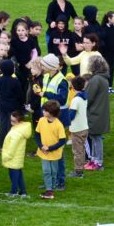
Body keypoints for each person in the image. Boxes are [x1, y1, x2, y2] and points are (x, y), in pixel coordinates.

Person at [38, 54, 70, 190]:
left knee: (58, 151)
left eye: (44, 65)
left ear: (50, 67)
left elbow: (62, 99)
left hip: (59, 118)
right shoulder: (46, 76)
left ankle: (60, 181)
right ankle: (50, 181)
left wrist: (45, 94)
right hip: (47, 116)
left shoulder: (62, 81)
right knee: (48, 146)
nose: (42, 67)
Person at [36, 100, 67, 199]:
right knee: (46, 171)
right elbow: (37, 134)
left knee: (53, 172)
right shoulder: (41, 120)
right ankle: (49, 190)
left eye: (45, 110)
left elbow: (62, 141)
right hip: (43, 152)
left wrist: (50, 148)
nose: (43, 112)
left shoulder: (58, 125)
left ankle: (51, 188)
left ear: (51, 112)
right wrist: (41, 146)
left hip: (55, 153)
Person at [84, 56, 110, 171]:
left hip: (95, 113)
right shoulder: (102, 78)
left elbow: (88, 98)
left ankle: (98, 162)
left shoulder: (95, 80)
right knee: (94, 137)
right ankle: (94, 160)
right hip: (98, 112)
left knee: (96, 138)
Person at [2, 111, 31, 197]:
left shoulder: (17, 132)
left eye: (14, 121)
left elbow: (12, 147)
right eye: (11, 120)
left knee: (13, 176)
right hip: (17, 157)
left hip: (13, 157)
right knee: (19, 175)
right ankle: (23, 191)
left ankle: (13, 191)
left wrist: (7, 156)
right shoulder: (19, 128)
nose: (11, 123)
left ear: (20, 121)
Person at [0, 59, 24, 148]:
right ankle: (10, 144)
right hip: (13, 106)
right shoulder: (15, 81)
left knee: (3, 124)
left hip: (3, 105)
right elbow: (20, 95)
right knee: (11, 125)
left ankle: (2, 144)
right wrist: (21, 107)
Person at [67, 76, 88, 178]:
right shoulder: (85, 96)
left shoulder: (76, 100)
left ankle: (78, 171)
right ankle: (80, 168)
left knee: (77, 150)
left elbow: (72, 115)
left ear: (73, 86)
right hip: (84, 127)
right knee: (82, 149)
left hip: (77, 128)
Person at [101, 11, 114, 91]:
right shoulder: (103, 29)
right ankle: (104, 86)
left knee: (111, 70)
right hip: (105, 54)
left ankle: (109, 86)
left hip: (113, 54)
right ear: (109, 19)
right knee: (105, 70)